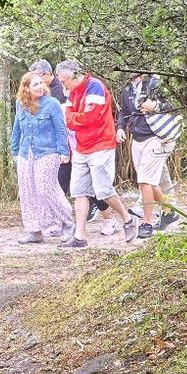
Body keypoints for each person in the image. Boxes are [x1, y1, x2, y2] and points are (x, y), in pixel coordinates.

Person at [55, 59, 138, 247]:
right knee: (79, 192)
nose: (62, 85)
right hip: (81, 147)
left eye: (64, 81)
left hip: (101, 145)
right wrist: (76, 117)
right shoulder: (72, 92)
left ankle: (127, 219)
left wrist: (75, 117)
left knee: (103, 191)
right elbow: (68, 119)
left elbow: (90, 117)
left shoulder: (95, 87)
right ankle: (80, 236)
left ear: (74, 75)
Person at [11, 71, 75, 243]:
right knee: (27, 191)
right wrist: (14, 150)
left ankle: (68, 222)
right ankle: (35, 230)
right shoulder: (21, 104)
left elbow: (61, 129)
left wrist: (64, 152)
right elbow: (17, 127)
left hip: (48, 151)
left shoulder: (52, 104)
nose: (40, 87)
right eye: (35, 84)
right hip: (26, 152)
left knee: (46, 188)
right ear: (26, 88)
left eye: (41, 83)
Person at [119, 73, 178, 240]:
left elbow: (175, 105)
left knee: (144, 181)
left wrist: (156, 106)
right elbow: (124, 111)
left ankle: (147, 223)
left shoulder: (156, 83)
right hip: (137, 138)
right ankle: (169, 211)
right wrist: (120, 127)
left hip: (156, 137)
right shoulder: (128, 87)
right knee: (150, 182)